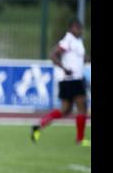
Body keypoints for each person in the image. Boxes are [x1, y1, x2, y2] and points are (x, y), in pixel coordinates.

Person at [32, 18, 90, 146]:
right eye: (77, 27)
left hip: (71, 80)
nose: (80, 30)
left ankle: (39, 125)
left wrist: (86, 59)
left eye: (80, 28)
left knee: (65, 110)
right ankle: (80, 139)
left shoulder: (77, 41)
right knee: (82, 108)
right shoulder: (68, 39)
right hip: (72, 80)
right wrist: (64, 68)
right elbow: (53, 55)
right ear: (71, 28)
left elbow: (79, 58)